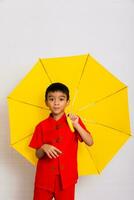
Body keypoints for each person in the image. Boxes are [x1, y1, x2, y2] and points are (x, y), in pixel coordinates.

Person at [29, 82, 93, 200]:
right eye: (52, 99)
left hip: (67, 179)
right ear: (46, 102)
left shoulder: (74, 122)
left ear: (67, 102)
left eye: (61, 99)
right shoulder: (41, 126)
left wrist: (77, 125)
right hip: (44, 178)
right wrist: (43, 147)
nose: (56, 103)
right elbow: (37, 154)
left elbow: (90, 141)